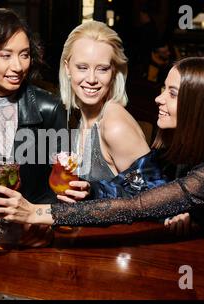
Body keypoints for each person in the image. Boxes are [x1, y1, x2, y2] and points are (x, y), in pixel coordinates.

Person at [0, 56, 204, 236]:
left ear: (202, 107)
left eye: (172, 94)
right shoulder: (179, 143)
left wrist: (35, 213)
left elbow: (134, 206)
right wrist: (92, 190)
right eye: (163, 89)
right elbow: (135, 185)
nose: (158, 100)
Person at [0, 8, 66, 247]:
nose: (18, 66)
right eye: (6, 55)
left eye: (24, 54)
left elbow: (61, 181)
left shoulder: (49, 108)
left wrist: (43, 219)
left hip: (34, 233)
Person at [57, 21, 165, 203]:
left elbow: (154, 197)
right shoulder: (78, 116)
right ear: (67, 68)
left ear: (114, 71)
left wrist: (94, 193)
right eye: (82, 67)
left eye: (102, 69)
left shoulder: (114, 124)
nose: (91, 79)